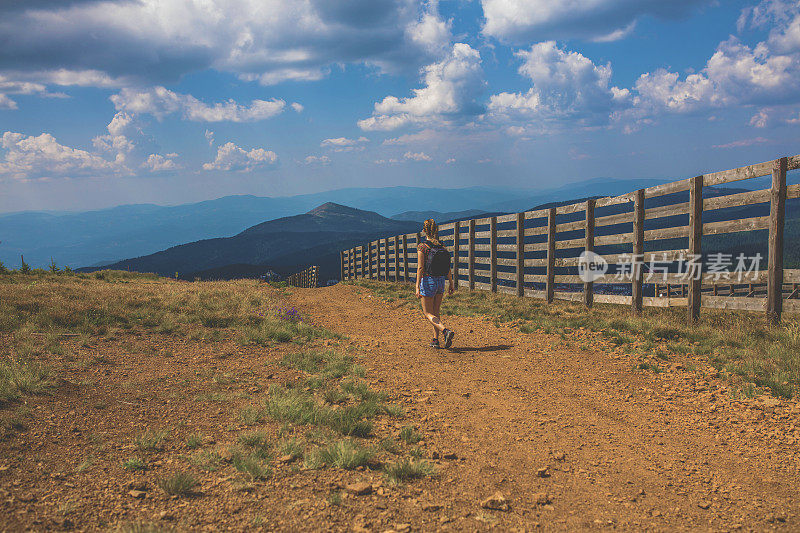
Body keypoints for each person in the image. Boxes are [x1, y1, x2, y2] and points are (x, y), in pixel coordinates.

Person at [415, 219, 455, 349]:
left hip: (428, 281)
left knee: (427, 313)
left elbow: (420, 268)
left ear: (424, 230)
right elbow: (448, 267)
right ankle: (435, 340)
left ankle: (445, 331)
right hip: (441, 281)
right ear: (436, 230)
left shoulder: (423, 247)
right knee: (436, 312)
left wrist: (417, 286)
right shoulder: (442, 246)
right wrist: (451, 282)